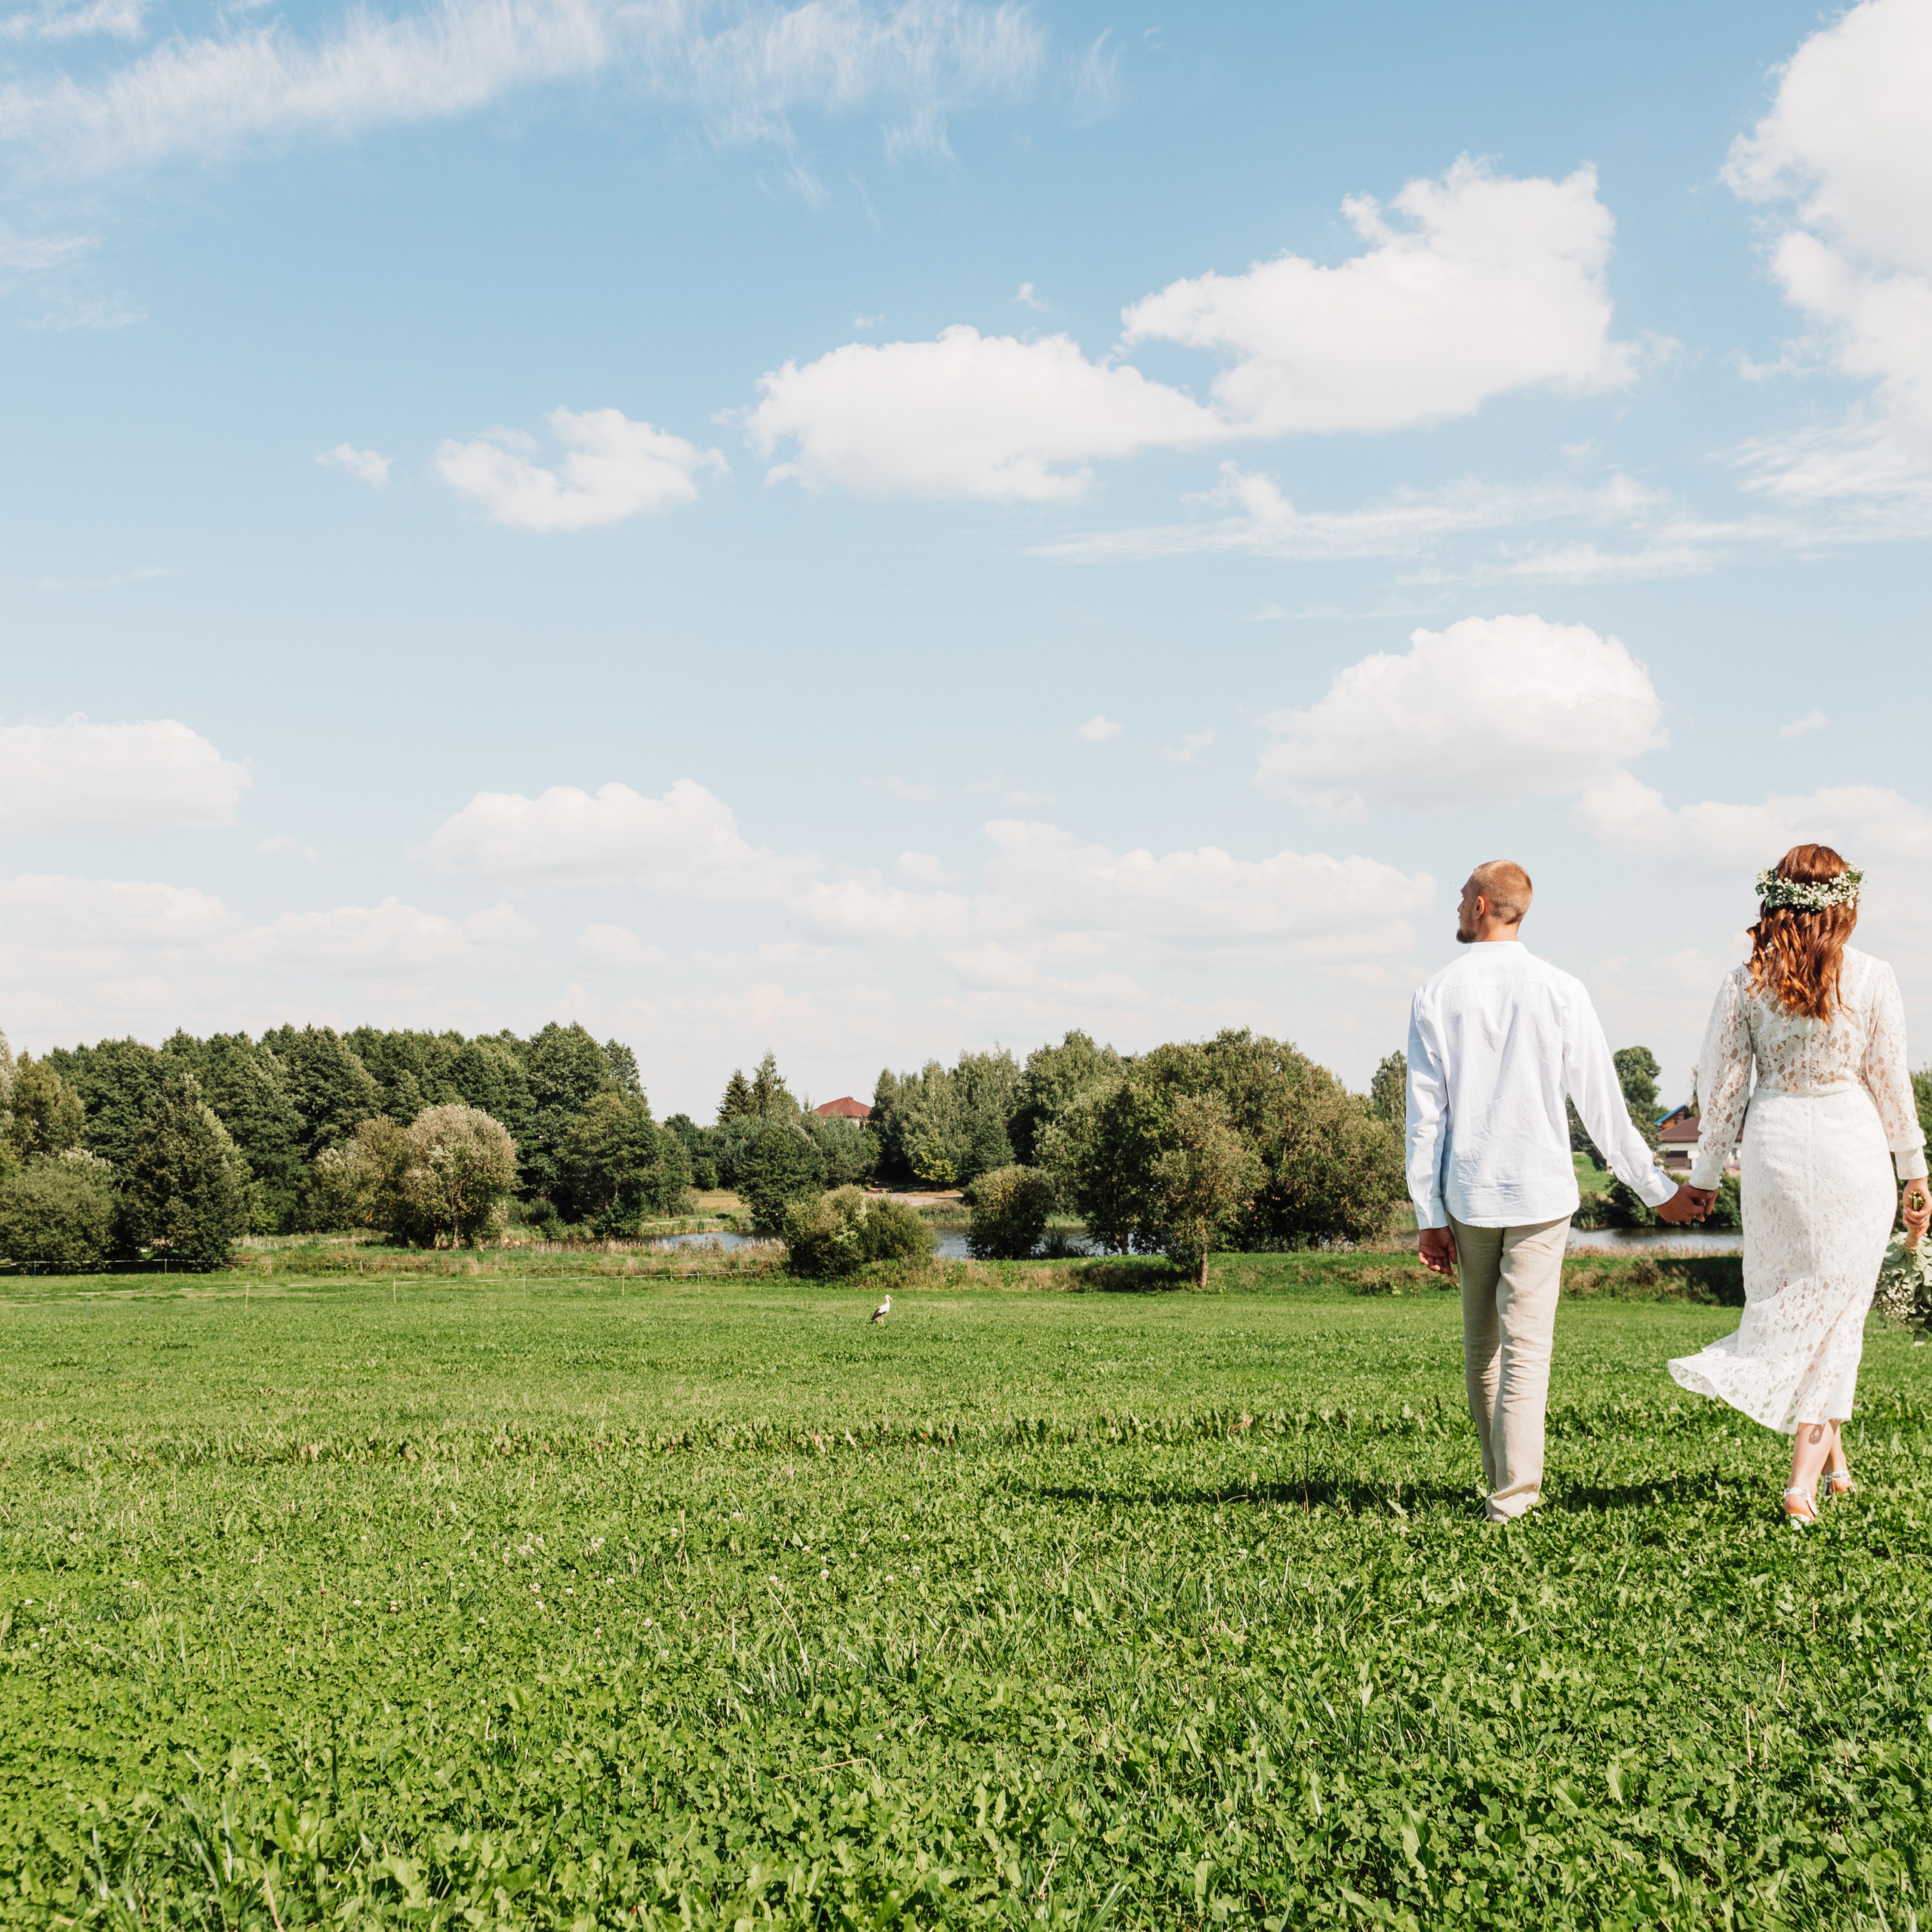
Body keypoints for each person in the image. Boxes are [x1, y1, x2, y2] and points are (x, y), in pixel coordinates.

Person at [1407, 860, 1703, 1521]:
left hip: (1469, 1194)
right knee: (1526, 1348)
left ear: (1483, 905)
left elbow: (1426, 1117)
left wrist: (1428, 1214)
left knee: (1482, 1348)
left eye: (1461, 898)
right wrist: (1658, 1191)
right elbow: (1603, 1108)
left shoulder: (1435, 993)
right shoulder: (1563, 990)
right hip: (1541, 1194)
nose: (1455, 908)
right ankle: (1512, 1496)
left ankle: (1503, 1486)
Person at [1670, 845, 1930, 1523]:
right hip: (1854, 1149)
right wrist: (1915, 1170)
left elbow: (1722, 1091)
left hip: (1774, 1150)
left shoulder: (1744, 984)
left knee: (1807, 1301)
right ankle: (1800, 1488)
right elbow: (1890, 1081)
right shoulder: (1874, 977)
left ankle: (1834, 1461)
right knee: (1837, 1314)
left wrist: (1702, 1179)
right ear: (1843, 902)